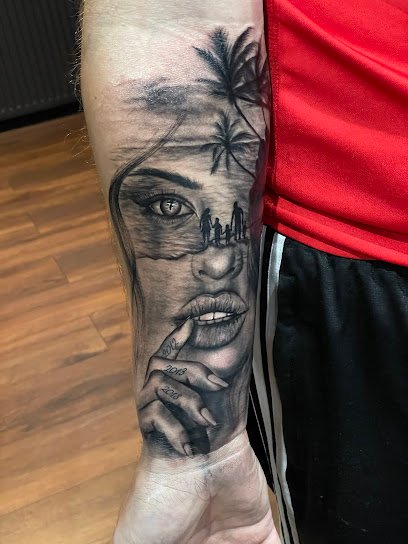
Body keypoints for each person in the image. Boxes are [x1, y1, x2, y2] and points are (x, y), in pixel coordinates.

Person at [81, 1, 408, 543]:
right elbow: (170, 15)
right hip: (353, 254)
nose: (217, 260)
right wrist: (199, 456)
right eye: (171, 208)